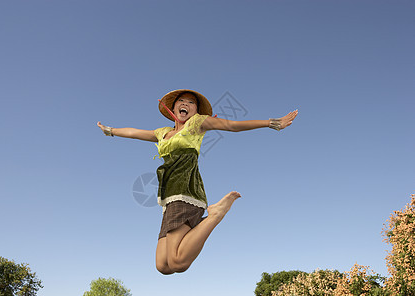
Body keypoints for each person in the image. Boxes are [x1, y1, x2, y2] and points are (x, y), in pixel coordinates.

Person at [97, 89, 298, 275]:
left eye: (191, 102)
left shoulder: (197, 124)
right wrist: (111, 130)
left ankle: (215, 215)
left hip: (185, 192)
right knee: (163, 266)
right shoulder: (163, 133)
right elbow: (135, 132)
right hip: (169, 197)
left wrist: (271, 123)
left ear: (196, 110)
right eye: (181, 101)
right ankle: (205, 219)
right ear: (173, 108)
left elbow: (231, 126)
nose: (185, 104)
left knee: (177, 263)